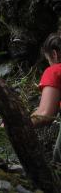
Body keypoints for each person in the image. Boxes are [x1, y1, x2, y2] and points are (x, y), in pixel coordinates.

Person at [31, 33, 61, 161]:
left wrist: (15, 123)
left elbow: (45, 114)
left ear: (54, 54)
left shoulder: (55, 71)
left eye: (48, 60)